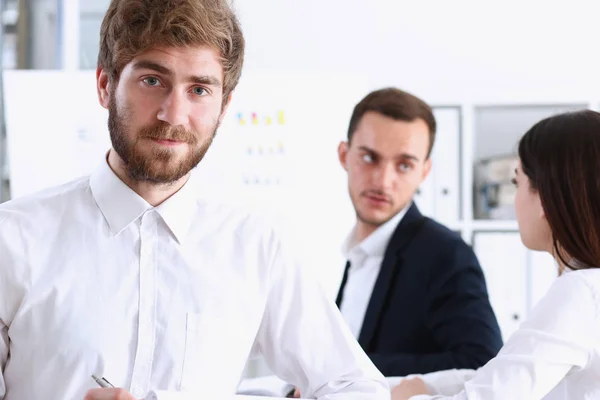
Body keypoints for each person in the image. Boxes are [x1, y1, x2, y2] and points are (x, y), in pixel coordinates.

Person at [0, 1, 390, 399]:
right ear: (105, 85)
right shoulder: (11, 238)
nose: (174, 114)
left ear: (224, 108)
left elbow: (356, 388)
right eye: (152, 81)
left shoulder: (258, 246)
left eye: (199, 90)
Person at [392, 109, 600, 400]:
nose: (514, 199)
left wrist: (406, 397)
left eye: (517, 183)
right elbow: (505, 374)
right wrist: (424, 386)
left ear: (544, 199)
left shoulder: (580, 293)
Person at [335, 88, 503, 377]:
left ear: (424, 172)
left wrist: (344, 371)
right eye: (370, 158)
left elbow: (482, 360)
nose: (383, 181)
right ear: (344, 155)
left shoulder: (445, 254)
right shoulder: (355, 253)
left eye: (404, 165)